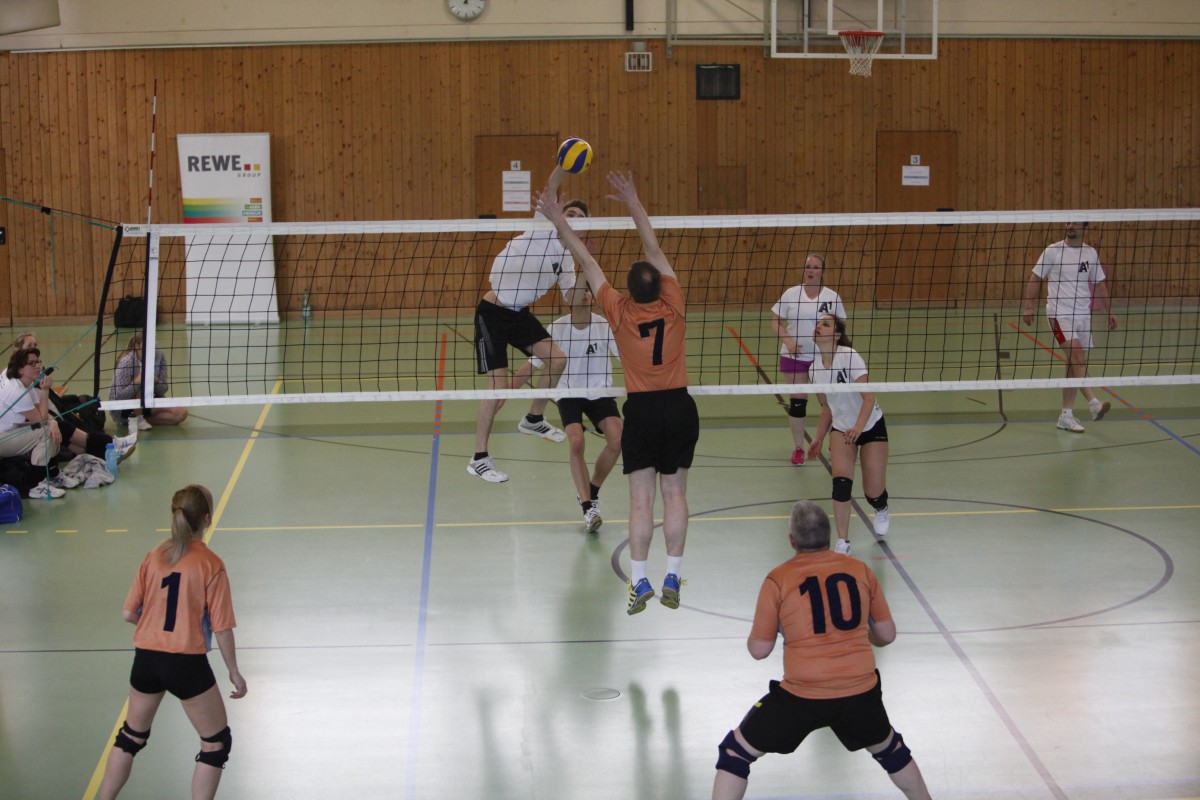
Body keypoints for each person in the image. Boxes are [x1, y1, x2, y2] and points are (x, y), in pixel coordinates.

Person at [538, 170, 698, 616]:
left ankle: (640, 579)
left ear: (628, 292)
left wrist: (558, 218)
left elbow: (586, 263)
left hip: (642, 411)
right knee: (675, 496)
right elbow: (652, 245)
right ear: (660, 284)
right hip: (679, 406)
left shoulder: (618, 312)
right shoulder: (674, 302)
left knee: (641, 500)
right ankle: (673, 574)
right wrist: (632, 200)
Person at [710, 500, 933, 800]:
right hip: (860, 691)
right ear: (829, 537)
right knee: (891, 750)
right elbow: (887, 634)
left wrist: (781, 630)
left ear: (792, 540)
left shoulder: (779, 579)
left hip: (802, 695)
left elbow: (759, 650)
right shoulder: (861, 571)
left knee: (735, 754)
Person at [98, 484, 247, 800]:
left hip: (146, 659)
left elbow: (128, 613)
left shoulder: (154, 556)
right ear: (206, 519)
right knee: (216, 743)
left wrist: (154, 627)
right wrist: (234, 671)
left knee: (131, 737)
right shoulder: (211, 564)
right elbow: (221, 628)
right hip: (185, 663)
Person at [469, 164, 588, 483]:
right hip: (492, 313)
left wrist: (586, 272)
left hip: (519, 315)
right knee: (498, 388)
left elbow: (573, 299)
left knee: (558, 359)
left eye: (580, 218)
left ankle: (534, 418)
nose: (574, 218)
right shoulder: (543, 227)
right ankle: (479, 457)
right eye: (570, 213)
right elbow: (551, 186)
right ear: (559, 214)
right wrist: (564, 164)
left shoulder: (568, 259)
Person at [515, 287, 623, 533]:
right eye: (578, 291)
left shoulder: (604, 326)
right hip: (568, 393)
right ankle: (588, 508)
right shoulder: (556, 329)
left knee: (618, 439)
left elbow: (627, 358)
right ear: (568, 299)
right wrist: (505, 391)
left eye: (588, 291)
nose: (585, 294)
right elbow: (532, 365)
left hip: (599, 391)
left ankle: (592, 490)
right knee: (576, 442)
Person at [1022, 221, 1118, 433]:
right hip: (1058, 315)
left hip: (1083, 316)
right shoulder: (1053, 251)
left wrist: (1110, 311)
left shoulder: (1090, 253)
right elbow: (1035, 277)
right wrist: (1029, 306)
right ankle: (1094, 403)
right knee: (1077, 356)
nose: (1070, 225)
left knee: (1073, 364)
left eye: (1075, 222)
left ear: (1084, 227)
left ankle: (1066, 415)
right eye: (1068, 222)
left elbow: (1100, 284)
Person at [806, 315, 889, 555]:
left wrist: (858, 428)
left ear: (837, 335)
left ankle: (881, 507)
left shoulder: (850, 357)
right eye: (818, 324)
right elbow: (826, 407)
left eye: (826, 324)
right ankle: (843, 542)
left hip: (870, 425)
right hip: (842, 428)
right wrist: (818, 437)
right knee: (841, 483)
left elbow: (869, 397)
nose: (819, 326)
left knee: (873, 492)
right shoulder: (814, 369)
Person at [0, 347, 137, 466]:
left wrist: (53, 422)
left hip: (12, 428)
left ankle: (107, 452)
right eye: (32, 363)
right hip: (4, 437)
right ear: (20, 368)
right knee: (48, 431)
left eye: (38, 362)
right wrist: (45, 390)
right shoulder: (16, 391)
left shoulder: (19, 377)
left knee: (58, 426)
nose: (38, 366)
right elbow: (41, 420)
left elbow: (40, 412)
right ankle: (110, 445)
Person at [771, 254, 846, 465]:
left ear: (822, 271)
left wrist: (838, 353)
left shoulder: (832, 297)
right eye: (808, 266)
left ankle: (833, 443)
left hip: (823, 358)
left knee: (829, 403)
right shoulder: (791, 294)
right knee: (797, 403)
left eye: (815, 267)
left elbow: (841, 328)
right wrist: (788, 341)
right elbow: (775, 322)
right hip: (794, 356)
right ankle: (798, 448)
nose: (811, 270)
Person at [109, 331, 189, 430]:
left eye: (154, 345)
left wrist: (155, 381)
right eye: (148, 345)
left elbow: (163, 390)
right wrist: (136, 383)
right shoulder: (127, 361)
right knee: (141, 385)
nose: (152, 349)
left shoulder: (159, 356)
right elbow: (120, 397)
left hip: (148, 401)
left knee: (180, 413)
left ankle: (139, 421)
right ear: (138, 346)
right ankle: (136, 419)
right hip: (124, 408)